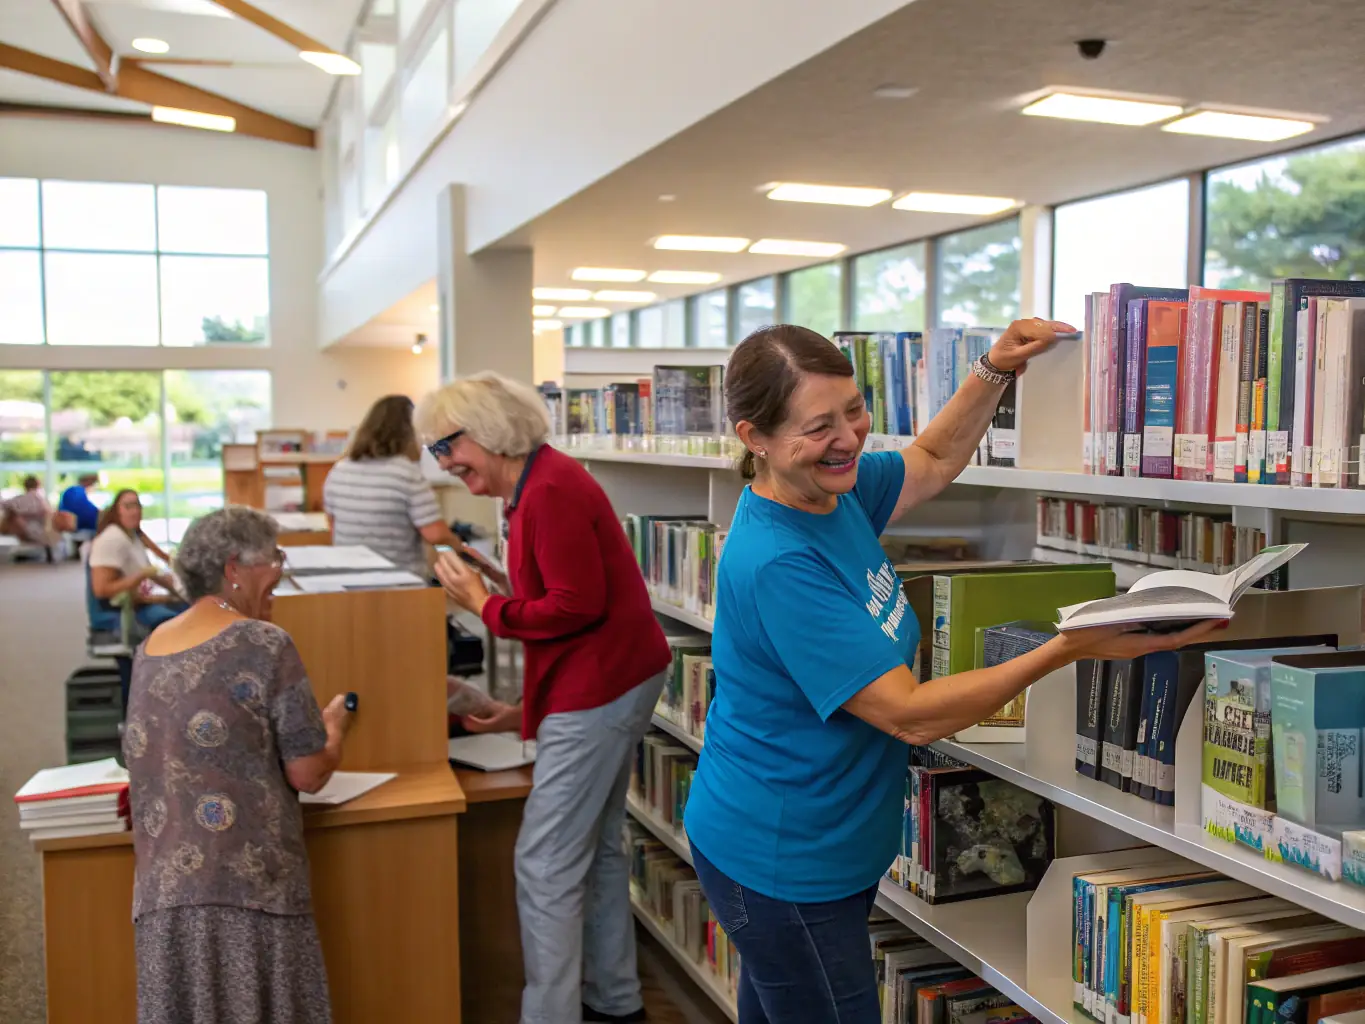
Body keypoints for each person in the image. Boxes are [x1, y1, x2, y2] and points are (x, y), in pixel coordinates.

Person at [681, 322, 1225, 1023]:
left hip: (819, 841)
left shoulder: (832, 495)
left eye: (852, 409)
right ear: (754, 435)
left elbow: (933, 458)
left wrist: (991, 370)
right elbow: (909, 713)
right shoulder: (778, 560)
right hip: (783, 859)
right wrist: (1069, 648)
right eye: (818, 426)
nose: (847, 436)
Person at [416, 371, 670, 1024]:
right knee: (597, 848)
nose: (445, 464)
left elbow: (573, 605)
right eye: (436, 453)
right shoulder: (534, 485)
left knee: (544, 862)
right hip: (609, 679)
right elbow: (568, 596)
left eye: (446, 447)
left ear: (486, 433)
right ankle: (614, 1002)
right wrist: (526, 710)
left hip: (604, 683)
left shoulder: (550, 488)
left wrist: (485, 606)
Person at [122, 506, 351, 1024]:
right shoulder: (264, 643)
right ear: (234, 567)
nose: (280, 573)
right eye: (275, 559)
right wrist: (336, 730)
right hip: (251, 893)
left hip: (164, 899)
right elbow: (308, 772)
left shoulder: (150, 647)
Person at [323, 394, 471, 579]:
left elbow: (333, 526)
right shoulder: (405, 473)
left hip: (345, 581)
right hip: (398, 584)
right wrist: (462, 549)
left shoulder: (339, 470)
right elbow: (436, 536)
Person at [88, 489, 186, 637]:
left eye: (138, 506)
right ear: (117, 511)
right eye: (128, 506)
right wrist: (141, 576)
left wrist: (178, 593)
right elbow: (101, 590)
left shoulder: (133, 536)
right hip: (130, 608)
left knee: (193, 610)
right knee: (179, 623)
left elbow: (154, 569)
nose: (135, 511)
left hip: (141, 599)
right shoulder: (111, 539)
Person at [1, 475, 73, 556]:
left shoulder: (25, 499)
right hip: (50, 533)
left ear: (25, 485)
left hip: (38, 533)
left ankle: (27, 544)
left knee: (13, 516)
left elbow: (4, 504)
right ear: (38, 485)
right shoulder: (43, 500)